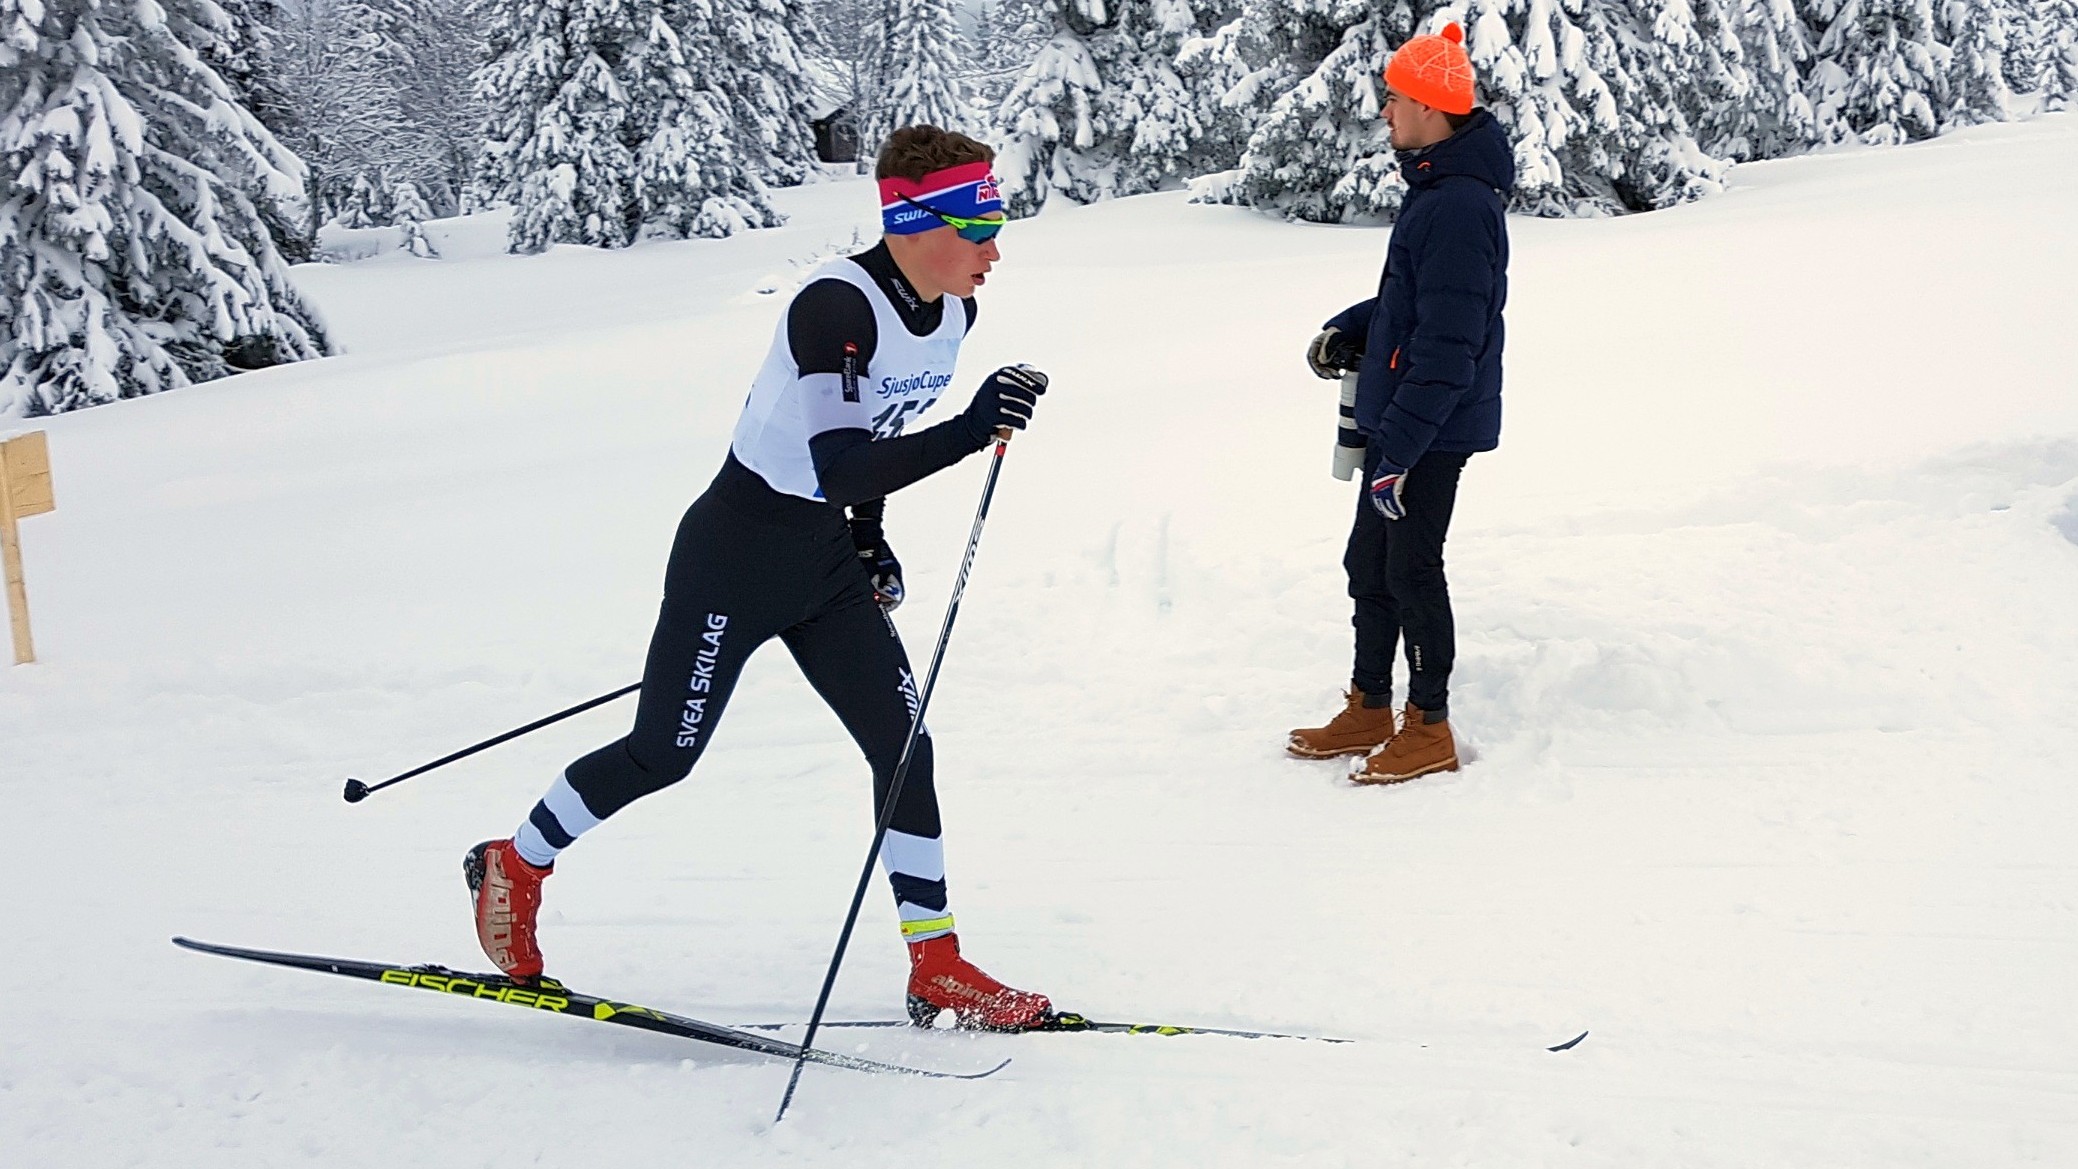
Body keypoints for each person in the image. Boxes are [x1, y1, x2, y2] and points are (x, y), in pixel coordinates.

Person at [465, 125, 1056, 1030]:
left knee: (905, 747)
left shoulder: (953, 315)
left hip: (824, 559)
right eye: (977, 226)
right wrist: (972, 429)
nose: (993, 249)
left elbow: (873, 441)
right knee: (663, 753)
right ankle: (516, 861)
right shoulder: (835, 307)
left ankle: (936, 962)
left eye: (996, 225)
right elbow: (841, 463)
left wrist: (869, 540)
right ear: (914, 222)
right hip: (733, 556)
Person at [1287, 22, 1515, 785]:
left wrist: (1403, 452)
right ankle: (1369, 706)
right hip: (1403, 423)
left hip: (1430, 430)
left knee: (1412, 570)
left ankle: (1430, 725)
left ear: (1428, 105)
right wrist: (1353, 327)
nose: (1384, 111)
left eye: (1394, 99)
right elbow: (1414, 303)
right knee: (1370, 563)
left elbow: (1451, 344)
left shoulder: (1458, 206)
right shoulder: (1437, 195)